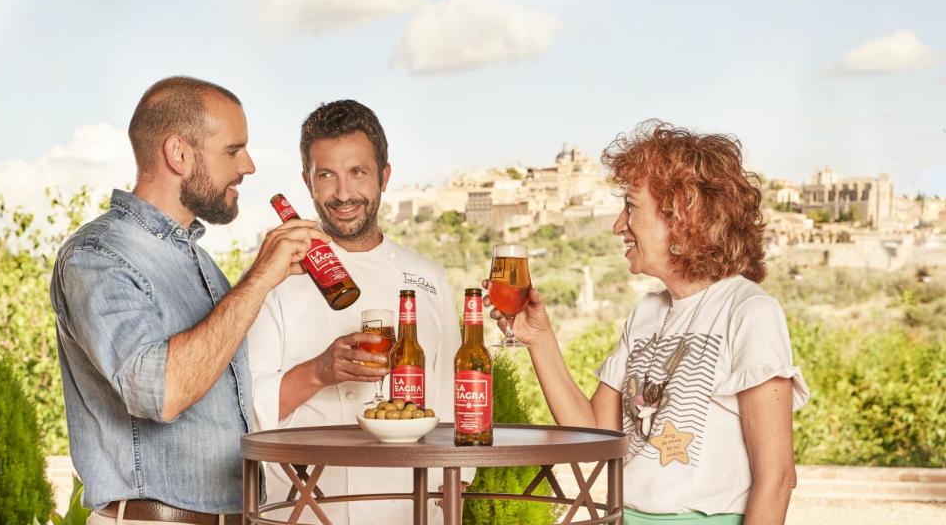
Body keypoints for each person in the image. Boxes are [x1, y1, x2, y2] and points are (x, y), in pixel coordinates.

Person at [487, 121, 810, 525]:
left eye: (631, 207)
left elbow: (777, 479)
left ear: (681, 216)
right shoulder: (647, 313)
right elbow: (593, 432)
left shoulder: (748, 311)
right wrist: (539, 337)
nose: (618, 225)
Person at [51, 76, 330, 525]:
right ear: (178, 154)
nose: (249, 166)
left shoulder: (198, 261)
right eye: (233, 150)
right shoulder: (97, 256)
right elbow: (162, 394)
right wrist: (259, 279)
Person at [247, 100, 469, 524]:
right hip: (304, 509)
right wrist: (319, 372)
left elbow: (450, 399)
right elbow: (244, 406)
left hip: (408, 508)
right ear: (307, 182)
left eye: (358, 172)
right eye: (326, 175)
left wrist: (452, 496)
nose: (343, 193)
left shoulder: (428, 277)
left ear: (384, 176)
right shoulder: (273, 276)